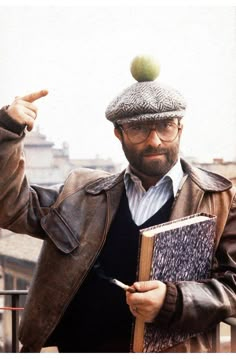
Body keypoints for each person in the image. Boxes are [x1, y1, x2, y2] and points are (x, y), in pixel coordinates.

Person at [0, 59, 235, 354]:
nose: (155, 141)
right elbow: (11, 207)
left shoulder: (222, 199)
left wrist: (172, 300)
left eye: (166, 126)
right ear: (118, 133)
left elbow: (233, 285)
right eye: (138, 129)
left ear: (181, 128)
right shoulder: (83, 194)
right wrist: (7, 131)